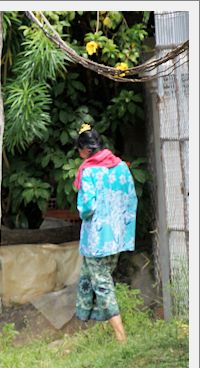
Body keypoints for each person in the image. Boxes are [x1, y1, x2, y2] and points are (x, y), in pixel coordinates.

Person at [73, 124, 137, 342]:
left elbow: (87, 207)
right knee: (89, 278)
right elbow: (131, 198)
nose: (79, 154)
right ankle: (86, 331)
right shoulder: (121, 167)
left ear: (86, 149)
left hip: (97, 239)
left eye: (79, 150)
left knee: (101, 284)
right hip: (118, 235)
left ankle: (121, 337)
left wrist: (82, 209)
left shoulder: (89, 171)